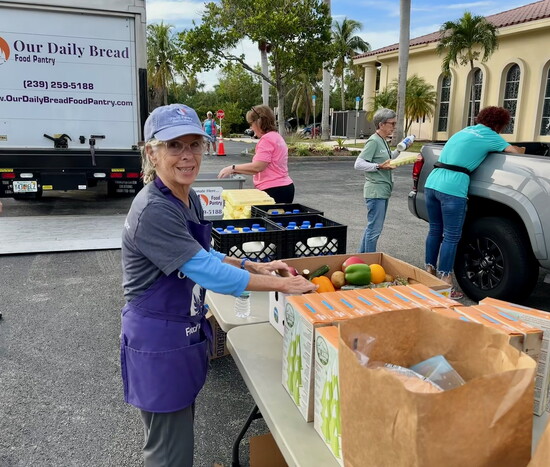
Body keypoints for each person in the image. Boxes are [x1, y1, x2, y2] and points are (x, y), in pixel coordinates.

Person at [120, 103, 316, 466]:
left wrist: (254, 264)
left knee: (179, 440)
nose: (187, 156)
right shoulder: (154, 210)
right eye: (174, 146)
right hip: (159, 340)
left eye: (195, 144)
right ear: (152, 152)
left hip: (182, 330)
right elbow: (207, 272)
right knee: (168, 454)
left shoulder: (185, 196)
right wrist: (282, 287)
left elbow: (206, 253)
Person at [423, 106, 524, 299]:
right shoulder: (490, 135)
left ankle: (428, 272)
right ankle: (445, 281)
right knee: (451, 237)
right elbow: (514, 153)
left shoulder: (465, 131)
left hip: (432, 183)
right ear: (499, 124)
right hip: (453, 187)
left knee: (435, 230)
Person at [217, 105, 295, 203]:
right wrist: (236, 170)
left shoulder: (266, 140)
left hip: (272, 190)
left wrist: (232, 168)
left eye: (251, 123)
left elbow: (258, 167)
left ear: (259, 122)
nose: (251, 127)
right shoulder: (277, 137)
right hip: (285, 187)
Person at [354, 108, 396, 253]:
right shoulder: (373, 141)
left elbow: (387, 160)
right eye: (392, 123)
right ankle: (369, 262)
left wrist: (402, 149)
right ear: (382, 124)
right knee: (374, 230)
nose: (394, 127)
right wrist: (378, 166)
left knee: (372, 228)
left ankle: (361, 259)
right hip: (375, 191)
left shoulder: (383, 141)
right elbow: (358, 164)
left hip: (382, 191)